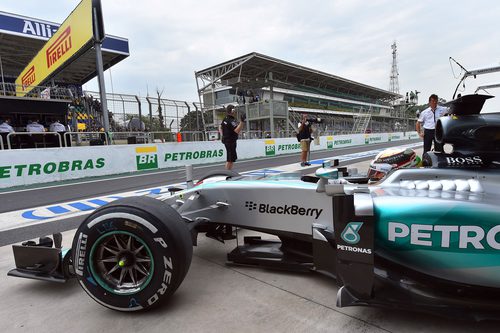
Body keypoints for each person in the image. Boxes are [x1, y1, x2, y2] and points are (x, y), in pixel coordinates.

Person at [220, 105, 244, 170]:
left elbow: (220, 127)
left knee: (231, 159)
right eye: (234, 110)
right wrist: (242, 121)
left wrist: (222, 135)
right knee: (230, 159)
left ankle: (229, 172)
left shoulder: (225, 118)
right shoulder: (231, 120)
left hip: (227, 140)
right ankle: (227, 173)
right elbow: (237, 130)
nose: (235, 111)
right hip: (230, 141)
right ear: (232, 111)